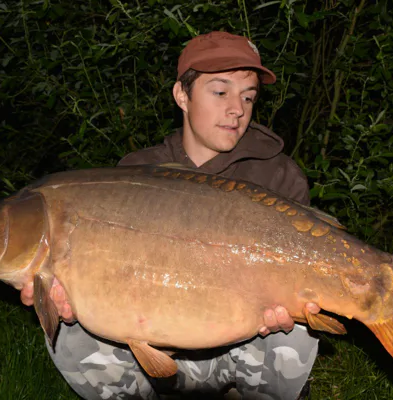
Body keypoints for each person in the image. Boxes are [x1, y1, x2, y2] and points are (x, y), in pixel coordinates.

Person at [20, 31, 320, 399]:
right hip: (158, 347)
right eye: (220, 92)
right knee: (71, 330)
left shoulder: (279, 176)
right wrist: (73, 298)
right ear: (182, 95)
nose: (237, 109)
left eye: (248, 97)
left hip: (246, 345)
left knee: (297, 330)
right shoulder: (135, 173)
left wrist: (286, 308)